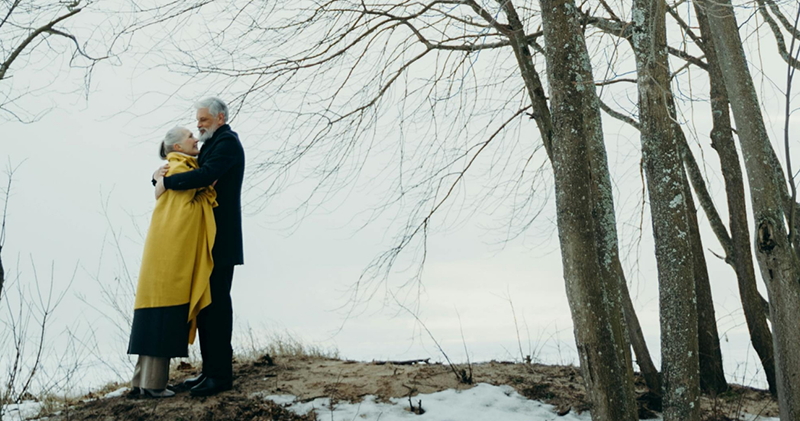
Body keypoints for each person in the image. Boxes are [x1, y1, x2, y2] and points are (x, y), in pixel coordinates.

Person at [153, 97, 245, 397]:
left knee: (216, 307)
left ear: (219, 118)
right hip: (208, 239)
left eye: (203, 120)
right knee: (207, 307)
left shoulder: (227, 143)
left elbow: (203, 177)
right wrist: (157, 178)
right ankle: (209, 371)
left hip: (221, 240)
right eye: (198, 120)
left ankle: (221, 376)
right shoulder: (210, 144)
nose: (198, 125)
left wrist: (168, 185)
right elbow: (184, 172)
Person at [128, 127, 217, 398]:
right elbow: (185, 215)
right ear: (177, 147)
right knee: (164, 317)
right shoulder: (179, 171)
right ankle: (154, 385)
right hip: (171, 257)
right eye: (190, 136)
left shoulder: (172, 171)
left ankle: (142, 382)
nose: (195, 139)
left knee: (153, 316)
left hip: (161, 256)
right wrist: (206, 194)